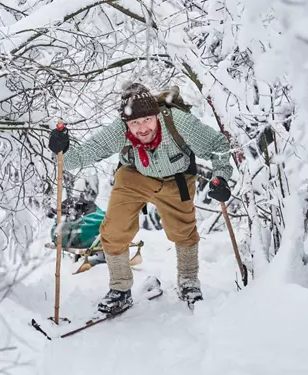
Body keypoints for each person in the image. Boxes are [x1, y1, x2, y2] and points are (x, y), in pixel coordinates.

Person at [48, 82, 233, 313]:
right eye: (135, 123)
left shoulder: (177, 121)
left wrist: (221, 177)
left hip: (177, 178)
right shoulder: (120, 129)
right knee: (113, 230)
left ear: (156, 115)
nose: (142, 128)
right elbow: (85, 154)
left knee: (183, 231)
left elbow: (218, 145)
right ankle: (120, 290)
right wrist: (61, 149)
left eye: (147, 120)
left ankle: (188, 283)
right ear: (127, 123)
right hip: (134, 175)